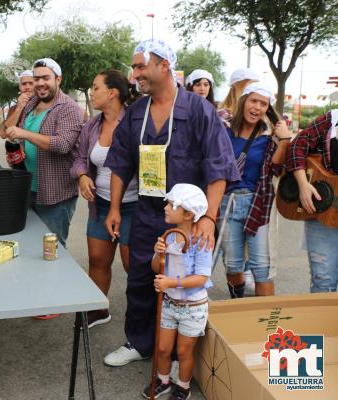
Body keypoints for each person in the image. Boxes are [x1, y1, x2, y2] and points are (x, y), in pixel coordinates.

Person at [102, 39, 240, 367]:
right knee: (140, 277)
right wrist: (115, 207)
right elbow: (121, 162)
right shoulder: (136, 113)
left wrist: (208, 217)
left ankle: (182, 351)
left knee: (187, 283)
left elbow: (217, 166)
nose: (134, 75)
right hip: (150, 213)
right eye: (133, 68)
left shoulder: (197, 109)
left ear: (164, 65)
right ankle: (140, 342)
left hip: (189, 219)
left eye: (139, 67)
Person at [4, 58, 83, 320]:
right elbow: (7, 132)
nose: (39, 83)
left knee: (52, 246)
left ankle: (52, 301)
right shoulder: (32, 106)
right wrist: (21, 108)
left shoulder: (68, 108)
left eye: (45, 78)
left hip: (56, 191)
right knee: (29, 244)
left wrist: (24, 135)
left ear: (58, 80)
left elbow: (62, 144)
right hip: (28, 187)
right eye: (36, 78)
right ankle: (35, 294)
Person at [70, 70, 137, 328]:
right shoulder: (92, 125)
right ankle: (98, 309)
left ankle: (139, 316)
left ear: (113, 93)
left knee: (134, 265)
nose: (91, 91)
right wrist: (82, 175)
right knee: (98, 259)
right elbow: (78, 158)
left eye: (96, 87)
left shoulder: (133, 123)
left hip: (134, 206)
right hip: (100, 206)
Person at [219, 82, 292, 298]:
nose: (257, 107)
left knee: (262, 268)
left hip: (258, 202)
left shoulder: (268, 136)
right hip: (227, 203)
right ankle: (239, 304)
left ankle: (265, 321)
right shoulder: (224, 130)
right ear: (244, 101)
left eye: (263, 104)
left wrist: (285, 140)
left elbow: (276, 168)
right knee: (232, 265)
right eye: (254, 101)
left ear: (267, 108)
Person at [143, 183, 212, 400]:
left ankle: (183, 387)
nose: (166, 206)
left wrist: (171, 283)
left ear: (189, 214)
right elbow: (156, 268)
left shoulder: (201, 242)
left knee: (184, 352)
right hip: (170, 303)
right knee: (163, 348)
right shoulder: (169, 236)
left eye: (172, 204)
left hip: (193, 307)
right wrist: (157, 254)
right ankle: (163, 381)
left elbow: (202, 278)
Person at [285, 109, 338, 292]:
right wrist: (303, 185)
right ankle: (321, 321)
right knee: (323, 281)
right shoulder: (333, 118)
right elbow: (297, 146)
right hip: (325, 211)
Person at [0, 70, 35, 168]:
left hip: (38, 161)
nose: (27, 87)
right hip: (19, 162)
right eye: (24, 84)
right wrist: (19, 108)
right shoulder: (14, 108)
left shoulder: (42, 106)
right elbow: (3, 134)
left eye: (31, 83)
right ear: (20, 87)